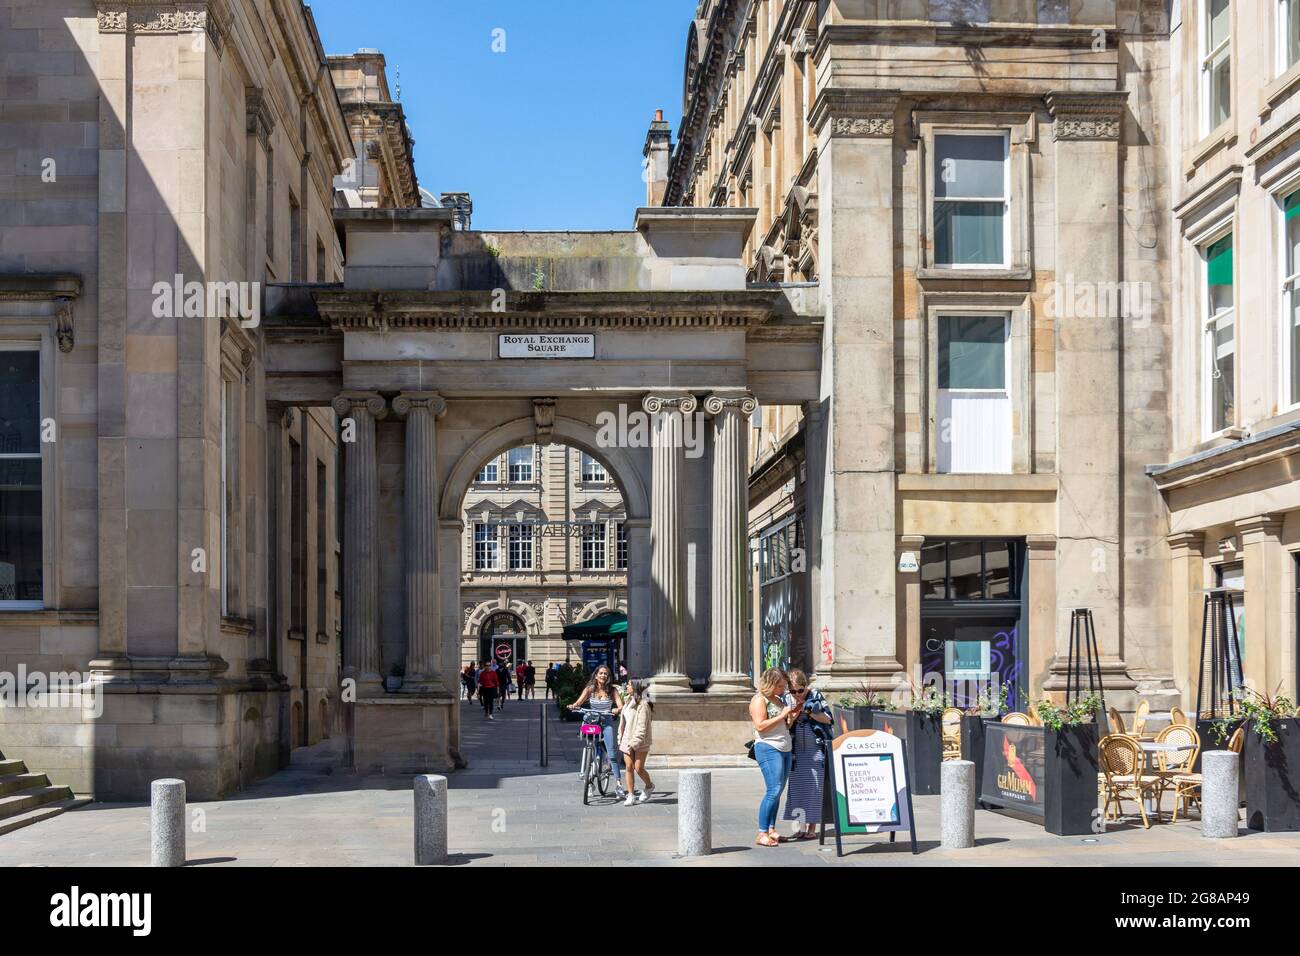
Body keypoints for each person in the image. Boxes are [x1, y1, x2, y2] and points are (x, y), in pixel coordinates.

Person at [781, 668, 833, 840]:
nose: (797, 694)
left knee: (814, 789)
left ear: (806, 686)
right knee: (797, 789)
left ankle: (812, 828)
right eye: (793, 691)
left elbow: (828, 719)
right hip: (796, 752)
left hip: (815, 750)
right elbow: (785, 726)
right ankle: (801, 828)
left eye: (800, 691)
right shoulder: (787, 699)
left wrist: (808, 711)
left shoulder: (815, 695)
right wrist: (793, 715)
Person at [565, 664, 627, 799]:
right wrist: (573, 706)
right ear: (596, 675)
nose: (603, 675)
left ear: (608, 676)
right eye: (601, 673)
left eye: (605, 673)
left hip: (606, 722)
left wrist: (617, 709)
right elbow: (578, 702)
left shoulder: (612, 690)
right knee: (591, 750)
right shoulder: (590, 689)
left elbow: (621, 706)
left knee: (611, 753)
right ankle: (590, 780)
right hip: (593, 722)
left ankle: (618, 785)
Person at [750, 667, 794, 847]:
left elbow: (784, 725)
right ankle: (762, 832)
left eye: (783, 686)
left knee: (778, 791)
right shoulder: (759, 700)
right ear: (770, 684)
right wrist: (782, 715)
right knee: (773, 790)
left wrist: (790, 717)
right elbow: (760, 726)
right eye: (780, 686)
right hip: (768, 747)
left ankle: (771, 829)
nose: (783, 689)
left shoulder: (778, 699)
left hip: (785, 747)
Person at [618, 678, 655, 806]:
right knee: (628, 767)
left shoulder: (643, 705)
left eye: (628, 684)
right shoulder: (628, 701)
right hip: (626, 739)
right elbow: (623, 722)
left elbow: (641, 727)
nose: (626, 686)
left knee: (638, 768)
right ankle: (631, 795)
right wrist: (620, 738)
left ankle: (649, 786)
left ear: (635, 687)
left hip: (640, 741)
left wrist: (634, 743)